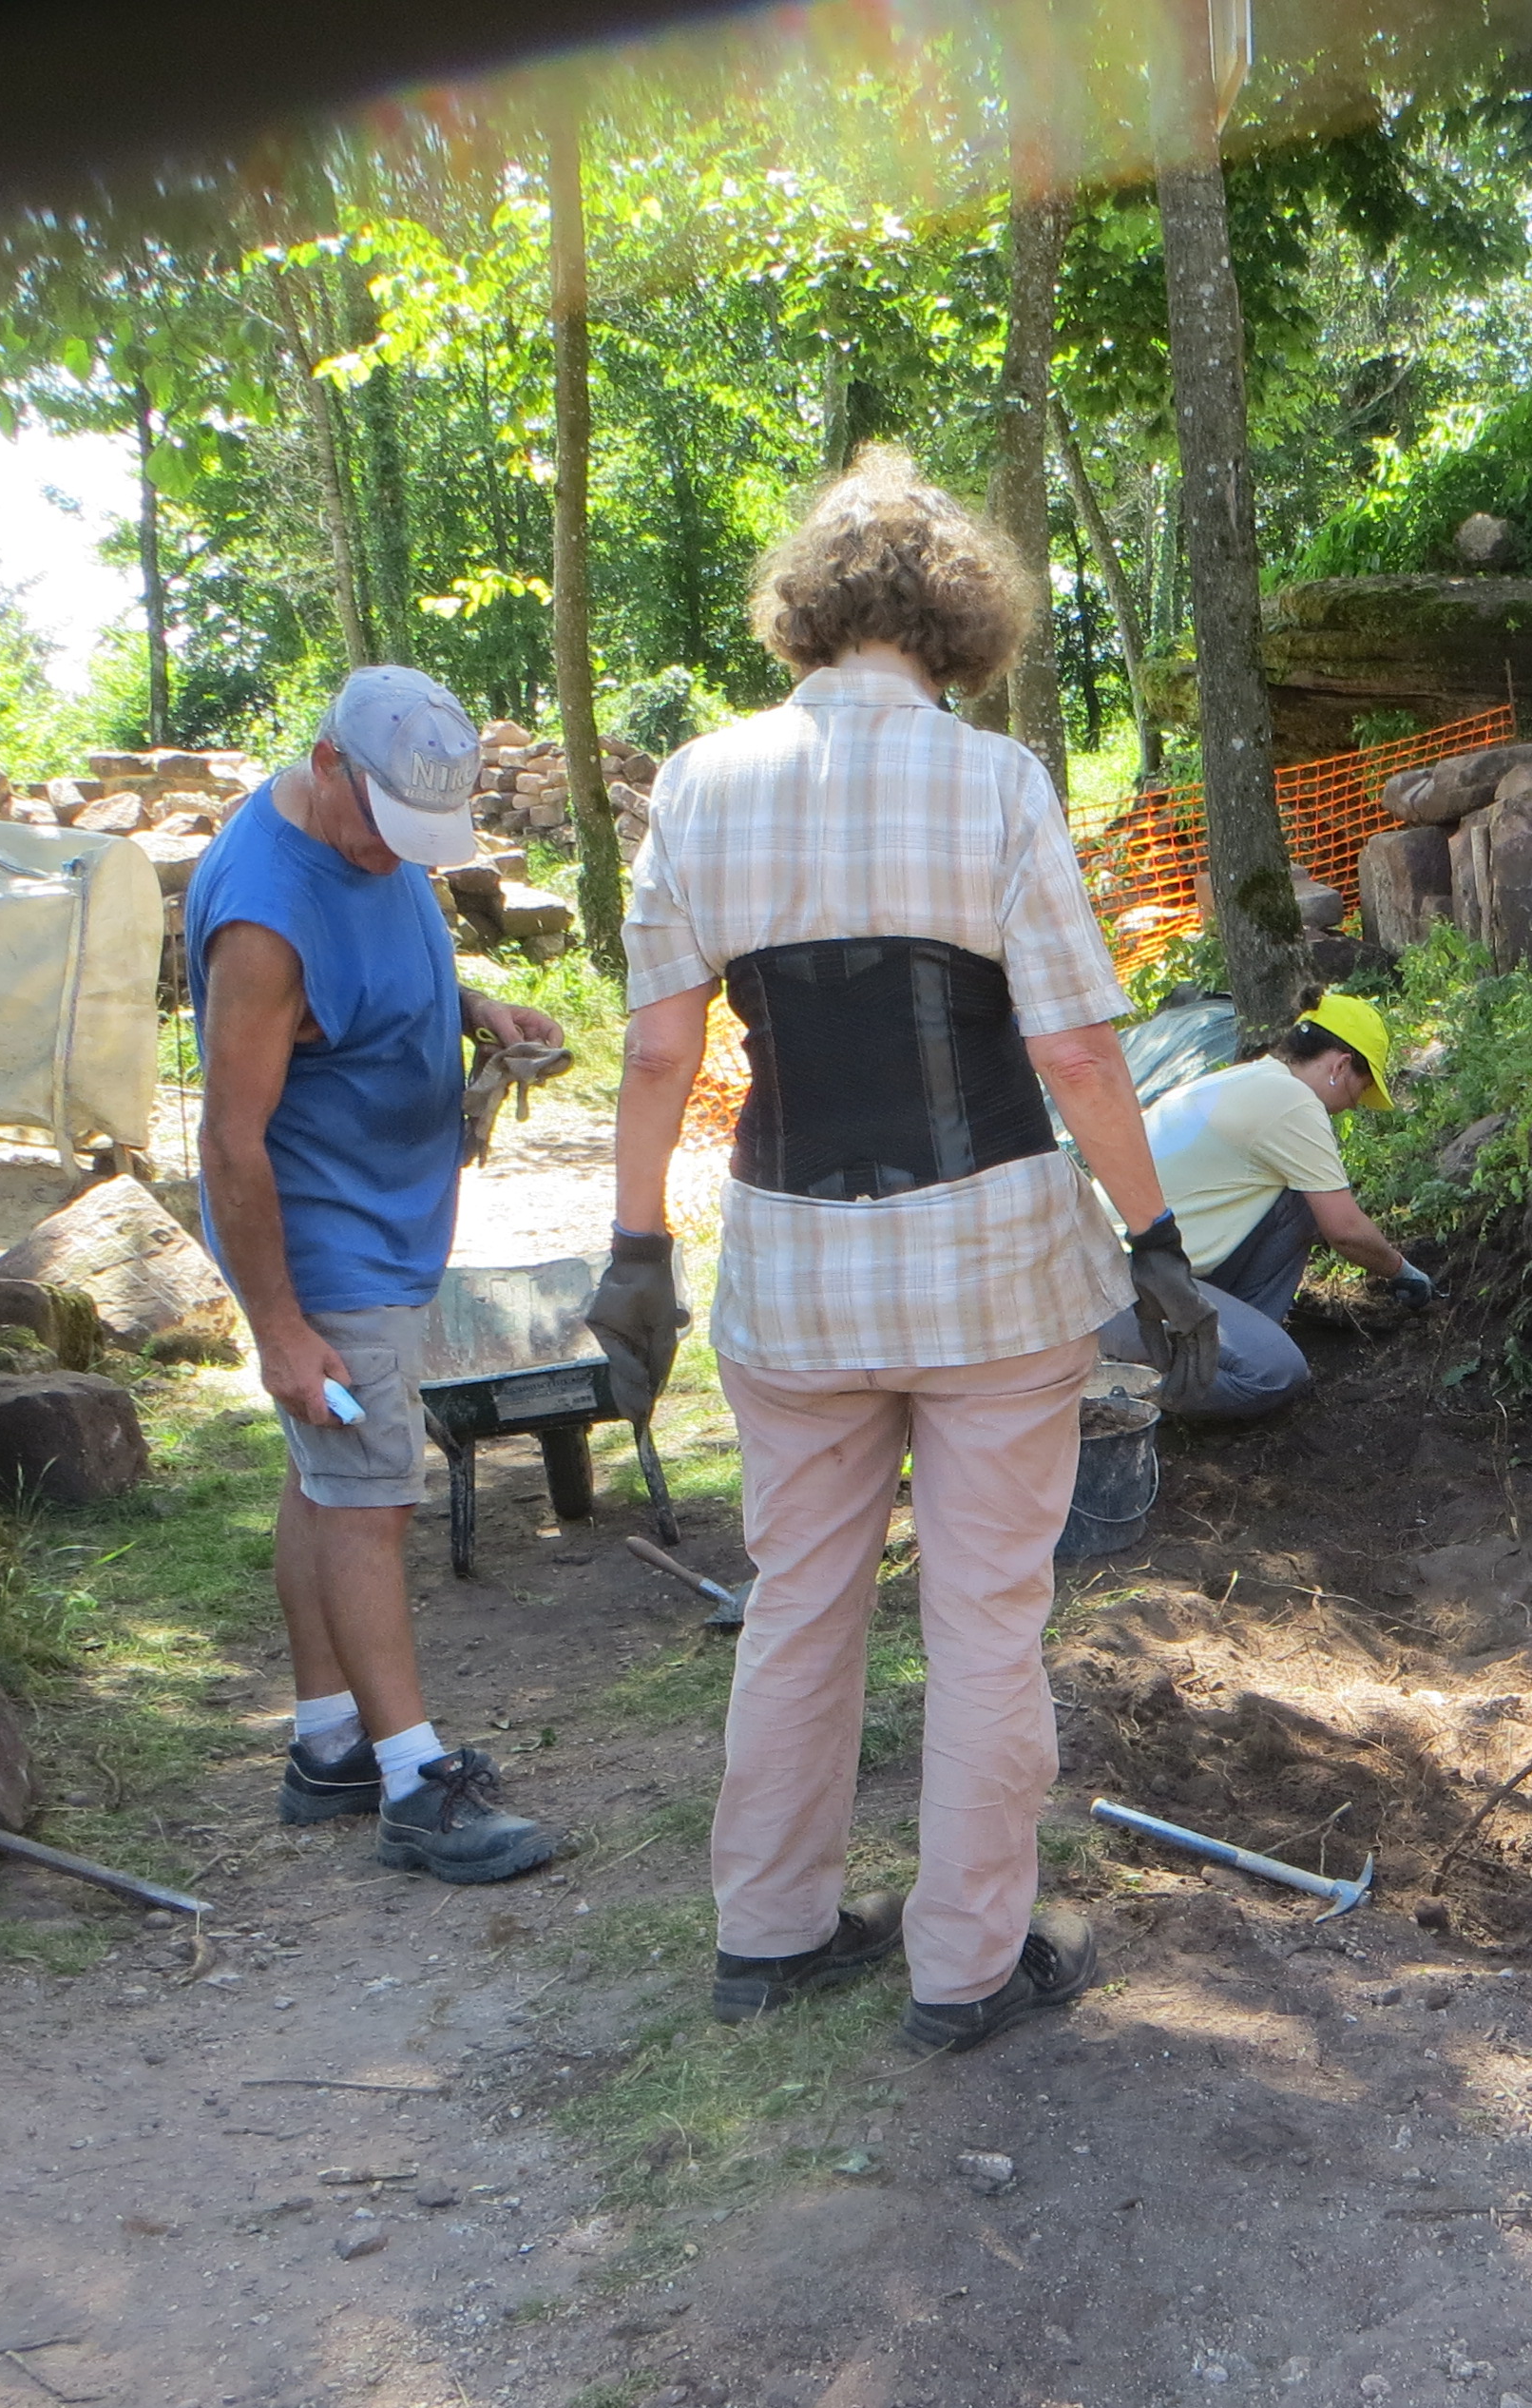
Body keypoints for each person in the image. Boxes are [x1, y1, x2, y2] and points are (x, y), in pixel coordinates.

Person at [593, 445, 1219, 2061]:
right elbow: (1075, 1055)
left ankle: (772, 1933)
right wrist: (1155, 1238)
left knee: (800, 1602)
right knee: (986, 1618)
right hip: (990, 1266)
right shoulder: (995, 781)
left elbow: (659, 1051)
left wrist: (636, 1245)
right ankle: (965, 1968)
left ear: (806, 612)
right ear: (961, 620)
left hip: (793, 1267)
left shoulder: (699, 784)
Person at [189, 664, 568, 1886]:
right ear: (326, 764)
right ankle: (415, 1784)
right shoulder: (265, 916)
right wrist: (281, 1329)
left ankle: (328, 1746)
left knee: (325, 1479)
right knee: (371, 1497)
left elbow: (368, 976)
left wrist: (475, 1007)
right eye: (382, 826)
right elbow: (229, 1140)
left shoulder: (369, 833)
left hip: (388, 1220)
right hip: (325, 1238)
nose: (394, 852)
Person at [1094, 990, 1433, 1418]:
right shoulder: (1291, 1101)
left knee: (1302, 1199)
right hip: (1121, 1288)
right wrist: (1404, 1272)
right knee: (1275, 1374)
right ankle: (1127, 1385)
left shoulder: (1247, 1080)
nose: (1351, 1107)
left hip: (1131, 1271)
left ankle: (1228, 1345)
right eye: (1360, 1091)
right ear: (1340, 1065)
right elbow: (1345, 1230)